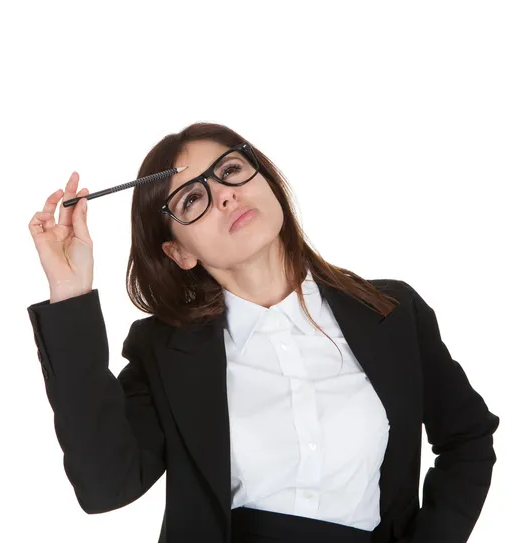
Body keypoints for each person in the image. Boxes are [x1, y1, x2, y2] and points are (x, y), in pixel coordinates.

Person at [26, 122, 500, 543]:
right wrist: (69, 292)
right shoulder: (164, 352)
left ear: (266, 180)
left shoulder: (391, 312)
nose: (224, 195)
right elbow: (106, 484)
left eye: (229, 171)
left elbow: (468, 438)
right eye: (192, 198)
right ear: (179, 253)